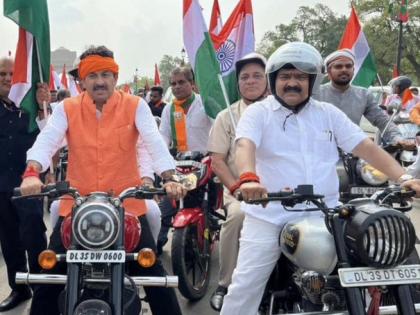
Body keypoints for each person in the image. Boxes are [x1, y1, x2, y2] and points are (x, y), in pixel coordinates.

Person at [219, 42, 420, 315]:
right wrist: (249, 178)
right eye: (285, 76)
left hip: (326, 215)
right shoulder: (258, 113)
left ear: (312, 81)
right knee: (244, 288)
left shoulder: (327, 114)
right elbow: (245, 146)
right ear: (273, 80)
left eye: (300, 77)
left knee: (359, 277)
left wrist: (405, 177)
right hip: (269, 214)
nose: (292, 83)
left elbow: (367, 148)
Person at [19, 45, 185, 315]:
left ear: (115, 78)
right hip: (75, 207)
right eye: (92, 75)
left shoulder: (135, 105)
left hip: (127, 206)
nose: (100, 81)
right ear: (82, 81)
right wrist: (31, 173)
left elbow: (154, 142)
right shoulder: (66, 108)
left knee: (153, 274)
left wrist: (169, 176)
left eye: (106, 74)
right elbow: (47, 140)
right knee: (49, 275)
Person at [207, 52, 267, 311]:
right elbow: (218, 161)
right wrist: (237, 187)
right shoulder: (226, 117)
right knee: (238, 217)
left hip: (281, 191)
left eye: (257, 76)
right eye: (245, 77)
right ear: (238, 83)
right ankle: (225, 283)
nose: (250, 81)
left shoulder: (282, 111)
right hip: (240, 191)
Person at [0, 57, 48, 311]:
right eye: (2, 74)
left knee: (33, 235)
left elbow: (50, 137)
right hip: (1, 185)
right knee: (8, 240)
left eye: (12, 73)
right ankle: (20, 288)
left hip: (29, 185)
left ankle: (43, 287)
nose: (8, 78)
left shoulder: (31, 107)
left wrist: (42, 108)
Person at [157, 66, 213, 253]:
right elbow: (163, 137)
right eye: (173, 83)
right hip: (179, 164)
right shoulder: (169, 109)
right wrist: (161, 157)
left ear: (193, 84)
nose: (177, 87)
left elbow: (217, 130)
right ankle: (158, 242)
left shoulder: (205, 103)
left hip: (205, 163)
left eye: (182, 82)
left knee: (210, 203)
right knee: (166, 205)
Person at [315, 49, 403, 145]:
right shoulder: (315, 93)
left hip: (351, 153)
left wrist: (397, 138)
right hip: (318, 151)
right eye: (338, 66)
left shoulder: (364, 95)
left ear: (353, 70)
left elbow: (382, 120)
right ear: (329, 72)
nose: (344, 69)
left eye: (348, 66)